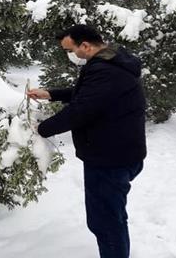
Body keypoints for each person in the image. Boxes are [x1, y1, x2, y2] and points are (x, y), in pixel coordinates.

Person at [27, 24, 146, 258]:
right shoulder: (112, 61)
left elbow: (81, 110)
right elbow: (90, 93)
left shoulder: (106, 70)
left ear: (85, 45)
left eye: (69, 50)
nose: (69, 55)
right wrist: (51, 93)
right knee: (112, 217)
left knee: (106, 222)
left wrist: (40, 129)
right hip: (120, 154)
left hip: (109, 161)